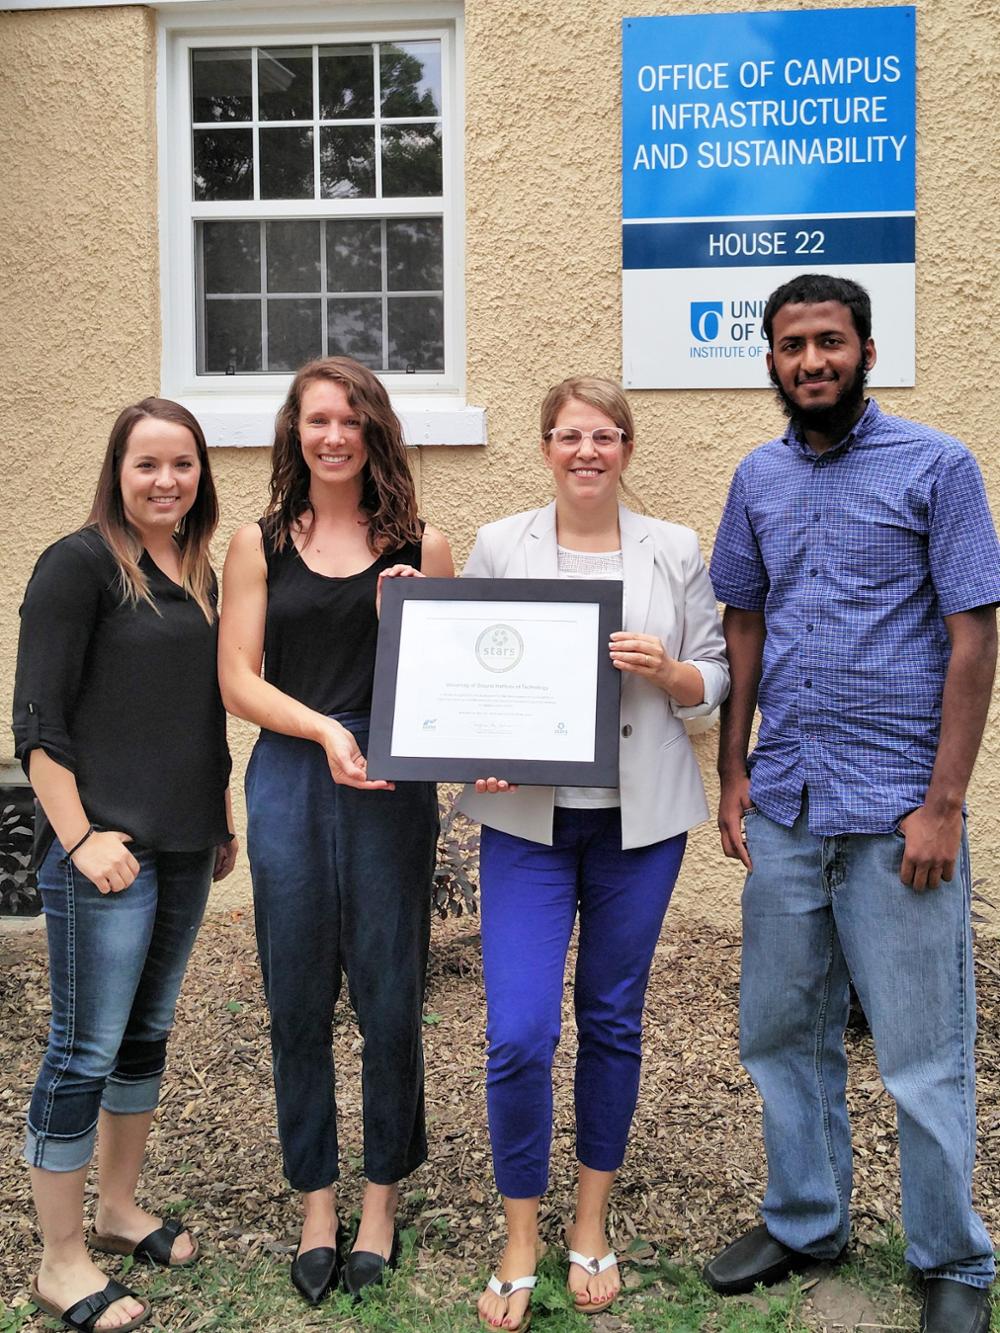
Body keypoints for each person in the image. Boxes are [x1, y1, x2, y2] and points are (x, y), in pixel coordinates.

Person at [704, 274, 999, 1333]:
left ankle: (952, 1257)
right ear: (771, 361)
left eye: (829, 342)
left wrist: (946, 804)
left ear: (865, 351)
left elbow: (975, 636)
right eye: (791, 345)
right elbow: (744, 623)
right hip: (785, 802)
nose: (810, 360)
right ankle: (805, 1219)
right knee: (782, 1033)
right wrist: (731, 772)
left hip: (898, 817)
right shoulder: (755, 478)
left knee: (923, 1053)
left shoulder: (938, 467)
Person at [460, 376, 729, 1332]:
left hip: (638, 825)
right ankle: (520, 1232)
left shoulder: (677, 548)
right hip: (529, 825)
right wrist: (476, 755)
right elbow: (470, 669)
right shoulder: (501, 544)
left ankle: (588, 1220)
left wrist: (668, 667)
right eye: (570, 435)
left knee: (612, 1020)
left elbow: (716, 682)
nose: (587, 451)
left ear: (625, 447)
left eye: (605, 435)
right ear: (544, 447)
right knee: (519, 1031)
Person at [217, 356, 453, 1305]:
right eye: (319, 418)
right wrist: (320, 728)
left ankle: (382, 1193)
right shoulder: (259, 540)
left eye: (352, 418)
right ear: (295, 430)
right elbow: (238, 676)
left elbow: (443, 689)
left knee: (392, 995)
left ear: (376, 431)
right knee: (297, 996)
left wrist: (407, 626)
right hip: (290, 780)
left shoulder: (424, 545)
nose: (335, 434)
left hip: (390, 792)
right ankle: (317, 1195)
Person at [12, 399, 236, 1333]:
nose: (166, 481)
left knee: (143, 1038)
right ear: (117, 469)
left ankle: (114, 1210)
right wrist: (77, 837)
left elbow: (195, 711)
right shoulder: (76, 565)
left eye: (181, 464)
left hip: (184, 845)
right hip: (104, 851)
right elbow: (37, 723)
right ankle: (59, 1260)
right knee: (82, 1050)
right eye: (147, 464)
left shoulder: (197, 569)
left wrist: (217, 814)